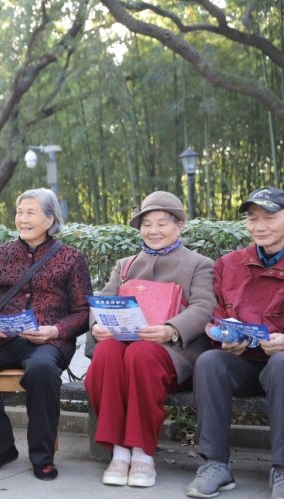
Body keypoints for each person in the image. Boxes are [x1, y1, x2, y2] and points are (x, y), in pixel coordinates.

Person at [0, 188, 92, 480]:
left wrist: (55, 330)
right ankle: (1, 448)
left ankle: (42, 456)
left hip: (47, 341)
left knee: (42, 370)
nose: (23, 219)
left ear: (50, 219)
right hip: (1, 339)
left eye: (31, 212)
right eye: (20, 212)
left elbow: (84, 311)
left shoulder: (71, 258)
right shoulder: (0, 255)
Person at [85, 191, 215, 488]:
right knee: (105, 353)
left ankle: (142, 453)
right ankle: (119, 451)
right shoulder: (125, 265)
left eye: (161, 223)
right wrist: (97, 325)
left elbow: (205, 307)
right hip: (125, 349)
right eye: (146, 224)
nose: (153, 230)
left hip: (171, 355)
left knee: (140, 354)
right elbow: (101, 300)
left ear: (178, 226)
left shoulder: (199, 264)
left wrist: (171, 329)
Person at [186, 187, 284, 499]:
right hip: (246, 364)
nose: (259, 226)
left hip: (280, 366)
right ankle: (215, 464)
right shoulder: (229, 264)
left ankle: (282, 468)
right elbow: (218, 317)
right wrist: (226, 338)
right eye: (253, 219)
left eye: (269, 218)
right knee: (210, 362)